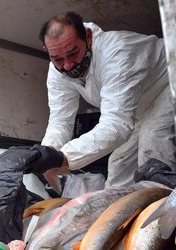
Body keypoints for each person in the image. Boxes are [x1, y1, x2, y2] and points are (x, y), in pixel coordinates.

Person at [27, 11, 175, 188]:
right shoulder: (56, 71)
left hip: (170, 83)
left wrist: (64, 158)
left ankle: (165, 211)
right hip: (141, 107)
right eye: (57, 59)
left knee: (154, 144)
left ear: (88, 37)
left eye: (73, 53)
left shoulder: (118, 52)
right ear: (48, 51)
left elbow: (117, 124)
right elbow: (60, 121)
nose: (67, 65)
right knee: (119, 167)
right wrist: (48, 152)